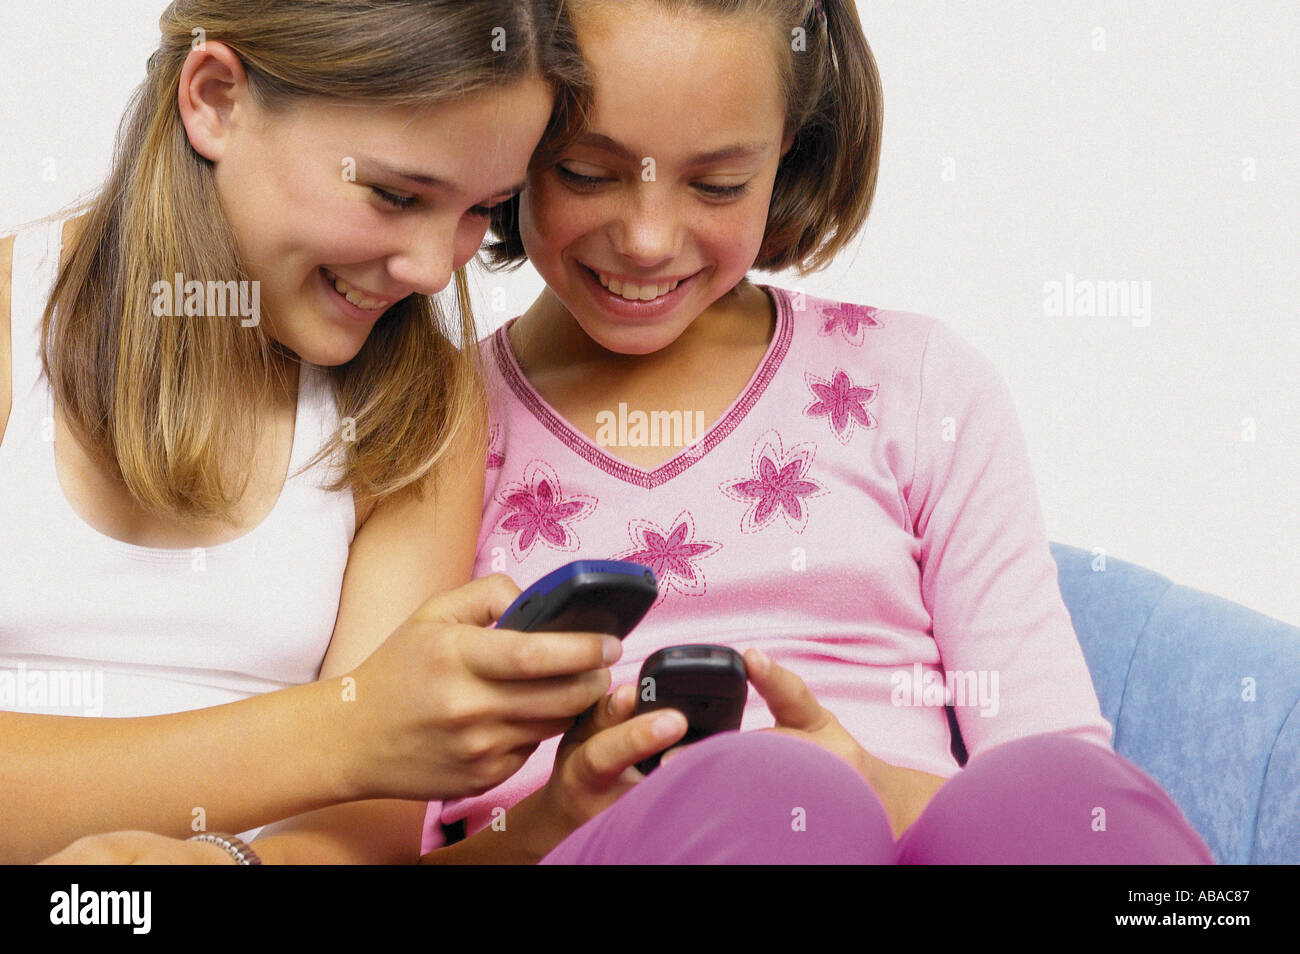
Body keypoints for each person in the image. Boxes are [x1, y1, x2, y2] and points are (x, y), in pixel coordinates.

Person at [414, 0, 1215, 863]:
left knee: (1064, 793)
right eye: (585, 173)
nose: (646, 240)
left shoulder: (915, 385)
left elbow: (1063, 787)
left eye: (719, 184)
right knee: (765, 800)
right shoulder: (430, 427)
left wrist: (874, 787)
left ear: (789, 146)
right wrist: (558, 815)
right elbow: (388, 835)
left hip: (910, 837)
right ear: (509, 140)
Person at [5, 0, 632, 866]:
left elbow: (360, 832)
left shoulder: (420, 406)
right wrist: (350, 729)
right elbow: (371, 749)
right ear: (216, 98)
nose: (425, 268)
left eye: (481, 210)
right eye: (394, 194)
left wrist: (225, 864)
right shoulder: (9, 324)